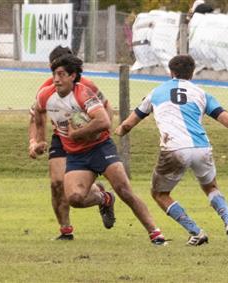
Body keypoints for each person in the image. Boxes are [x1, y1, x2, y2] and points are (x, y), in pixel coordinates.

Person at [115, 55, 228, 246]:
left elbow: (128, 125)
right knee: (211, 187)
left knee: (159, 194)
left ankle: (196, 231)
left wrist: (117, 130)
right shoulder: (202, 94)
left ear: (171, 72)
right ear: (192, 73)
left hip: (174, 148)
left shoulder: (155, 93)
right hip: (201, 148)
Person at [32, 54, 167, 245]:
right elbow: (38, 111)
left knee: (124, 190)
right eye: (54, 74)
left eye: (61, 74)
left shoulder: (83, 94)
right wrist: (38, 140)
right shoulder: (46, 95)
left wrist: (77, 134)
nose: (56, 79)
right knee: (75, 198)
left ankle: (156, 234)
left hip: (100, 148)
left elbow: (104, 121)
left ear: (72, 76)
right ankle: (104, 198)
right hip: (76, 155)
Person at [28, 45, 114, 241]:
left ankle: (103, 197)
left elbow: (107, 109)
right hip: (62, 136)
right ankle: (65, 230)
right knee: (57, 183)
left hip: (88, 138)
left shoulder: (87, 86)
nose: (58, 75)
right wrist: (34, 142)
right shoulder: (45, 89)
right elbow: (34, 118)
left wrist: (100, 134)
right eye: (55, 70)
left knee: (73, 191)